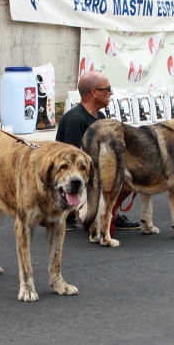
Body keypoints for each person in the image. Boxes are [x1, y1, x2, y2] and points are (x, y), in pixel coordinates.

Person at [55, 71, 140, 232]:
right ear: (94, 92)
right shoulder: (74, 120)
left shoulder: (99, 116)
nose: (111, 92)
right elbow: (71, 161)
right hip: (81, 176)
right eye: (107, 89)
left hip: (97, 171)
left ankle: (111, 211)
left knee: (132, 173)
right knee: (97, 229)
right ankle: (70, 211)